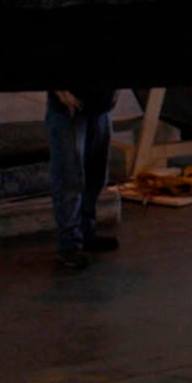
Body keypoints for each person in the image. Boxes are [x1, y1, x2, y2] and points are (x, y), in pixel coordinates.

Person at [47, 86, 119, 270]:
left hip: (100, 107)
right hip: (68, 108)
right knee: (69, 178)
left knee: (96, 176)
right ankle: (69, 245)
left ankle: (87, 233)